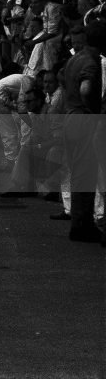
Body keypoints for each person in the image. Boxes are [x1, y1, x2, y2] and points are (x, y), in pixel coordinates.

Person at [62, 22, 105, 243]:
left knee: (79, 173)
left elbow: (64, 80)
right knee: (85, 174)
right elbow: (86, 88)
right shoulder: (91, 61)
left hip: (70, 117)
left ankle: (80, 223)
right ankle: (81, 224)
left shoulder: (75, 58)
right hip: (83, 119)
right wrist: (93, 110)